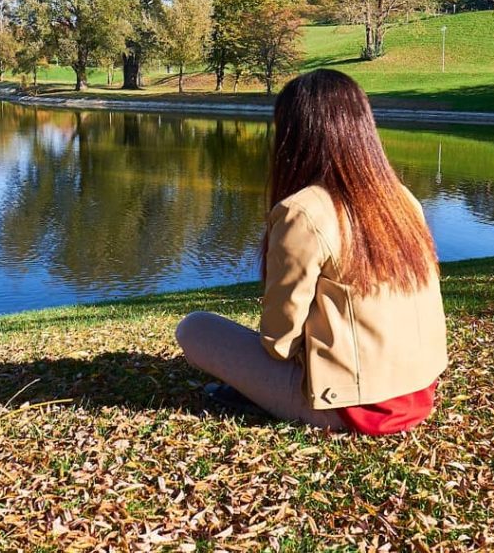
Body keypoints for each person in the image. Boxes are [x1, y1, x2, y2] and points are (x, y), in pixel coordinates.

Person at [175, 69, 448, 435]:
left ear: (293, 134)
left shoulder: (303, 211)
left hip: (353, 407)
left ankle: (265, 396)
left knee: (194, 328)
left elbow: (280, 343)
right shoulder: (401, 199)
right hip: (417, 392)